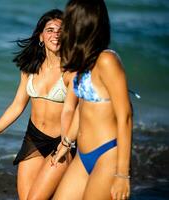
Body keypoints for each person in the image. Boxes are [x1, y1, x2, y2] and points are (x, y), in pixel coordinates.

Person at [0, 9, 77, 200]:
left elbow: (76, 112)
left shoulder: (71, 72)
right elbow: (18, 104)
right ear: (41, 37)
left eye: (61, 31)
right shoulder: (30, 69)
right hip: (33, 139)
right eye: (50, 30)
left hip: (61, 142)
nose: (55, 35)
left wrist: (67, 143)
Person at [51, 0, 133, 200]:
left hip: (107, 156)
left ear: (81, 23)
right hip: (82, 156)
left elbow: (126, 116)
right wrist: (66, 142)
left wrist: (122, 174)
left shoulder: (107, 60)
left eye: (69, 19)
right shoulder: (84, 63)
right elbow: (82, 108)